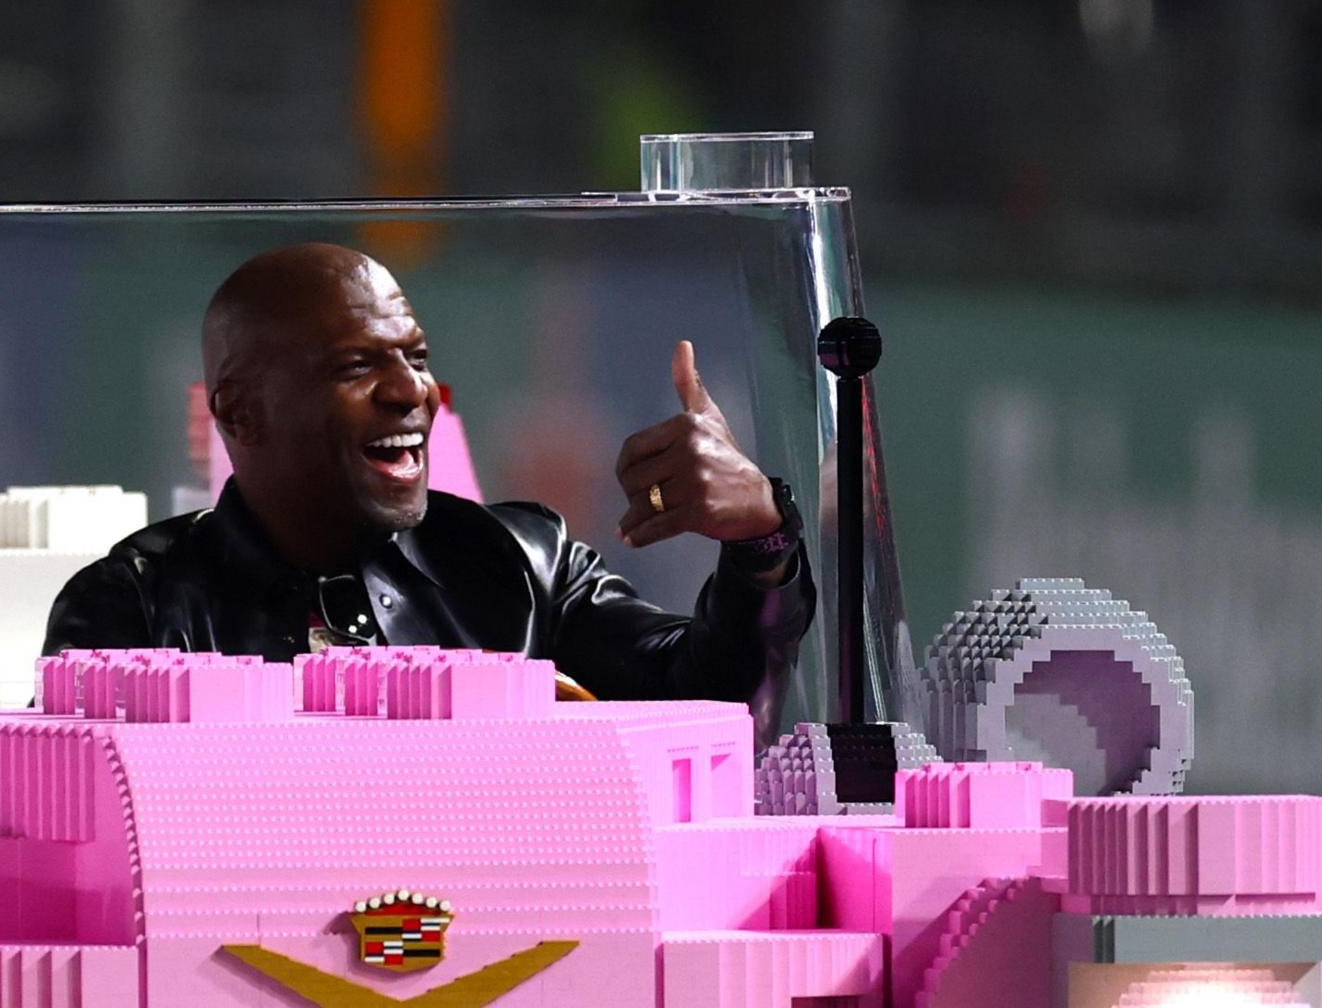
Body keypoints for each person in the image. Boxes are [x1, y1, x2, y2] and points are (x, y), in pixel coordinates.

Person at [41, 243, 813, 701]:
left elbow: (714, 702)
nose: (412, 390)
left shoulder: (523, 565)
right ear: (241, 412)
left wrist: (760, 545)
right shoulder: (132, 609)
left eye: (415, 357)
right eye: (356, 366)